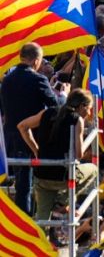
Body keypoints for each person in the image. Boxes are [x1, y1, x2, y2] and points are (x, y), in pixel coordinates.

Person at [18, 87, 95, 226]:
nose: (89, 113)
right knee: (93, 169)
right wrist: (87, 141)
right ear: (82, 106)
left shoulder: (47, 113)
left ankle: (40, 246)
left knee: (42, 219)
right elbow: (79, 154)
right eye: (89, 108)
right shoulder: (77, 120)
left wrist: (36, 150)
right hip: (64, 177)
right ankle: (63, 201)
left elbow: (22, 126)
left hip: (42, 175)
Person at [2, 43, 62, 215]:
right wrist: (63, 95)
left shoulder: (7, 80)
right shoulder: (38, 79)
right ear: (36, 61)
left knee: (18, 183)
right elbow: (55, 106)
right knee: (25, 185)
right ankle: (26, 223)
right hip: (30, 138)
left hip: (9, 138)